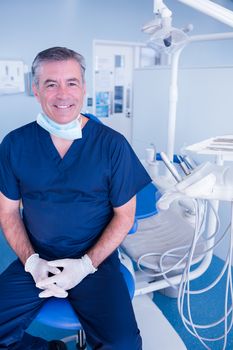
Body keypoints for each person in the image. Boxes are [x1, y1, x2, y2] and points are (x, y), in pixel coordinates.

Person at [0, 47, 152, 350]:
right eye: (50, 84)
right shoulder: (15, 144)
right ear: (36, 89)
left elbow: (125, 216)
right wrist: (31, 261)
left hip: (94, 260)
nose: (62, 94)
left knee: (124, 344)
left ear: (83, 88)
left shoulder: (112, 145)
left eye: (71, 82)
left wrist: (84, 266)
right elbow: (7, 213)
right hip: (36, 258)